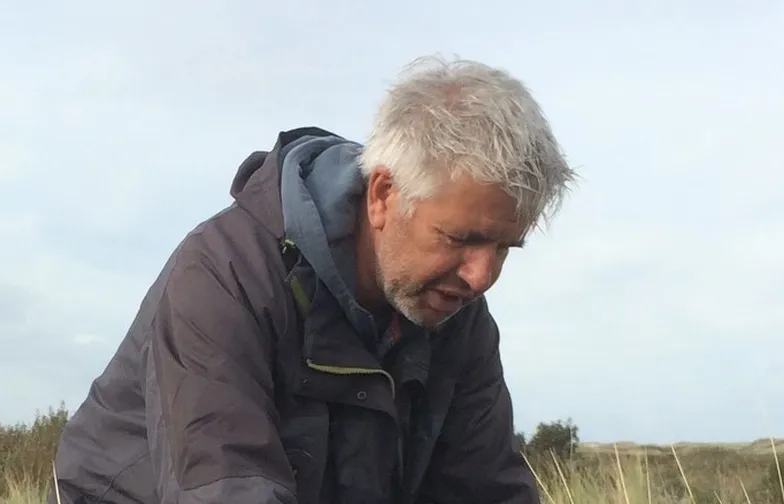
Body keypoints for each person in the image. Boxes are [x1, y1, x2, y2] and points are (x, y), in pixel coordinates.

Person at [48, 55, 577, 504]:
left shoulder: (458, 318)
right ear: (383, 195)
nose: (482, 276)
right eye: (460, 238)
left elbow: (485, 488)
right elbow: (226, 488)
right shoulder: (226, 277)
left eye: (504, 247)